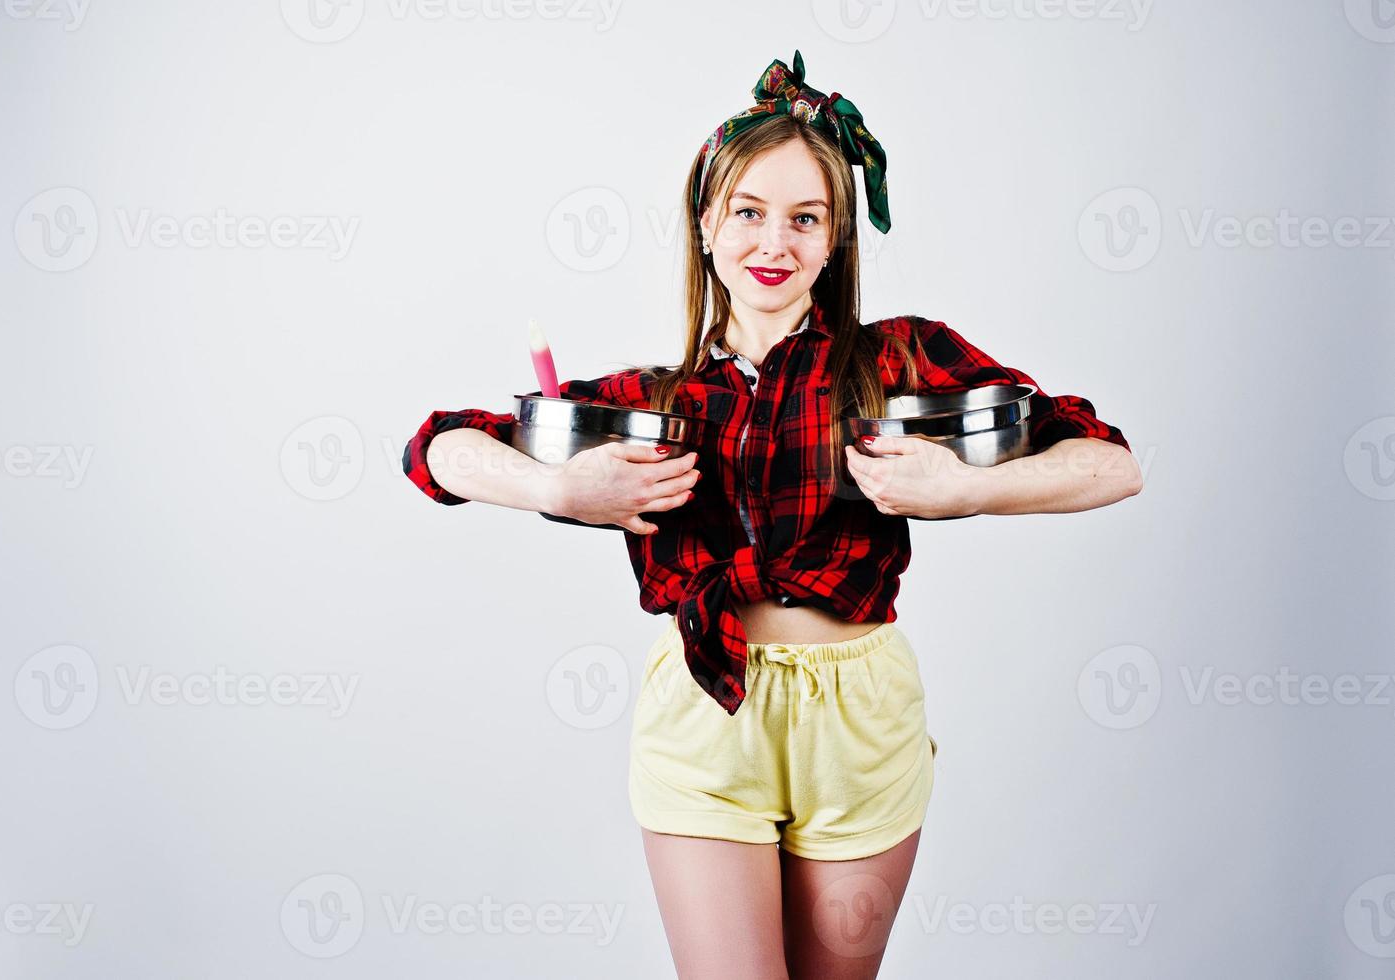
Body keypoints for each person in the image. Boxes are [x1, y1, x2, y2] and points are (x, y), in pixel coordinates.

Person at [403, 49, 1141, 980]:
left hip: (858, 719)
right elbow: (436, 449)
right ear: (707, 224)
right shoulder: (651, 399)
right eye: (748, 213)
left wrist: (965, 490)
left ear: (834, 241)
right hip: (707, 706)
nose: (773, 243)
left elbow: (1108, 463)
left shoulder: (900, 361)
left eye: (804, 219)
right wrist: (560, 490)